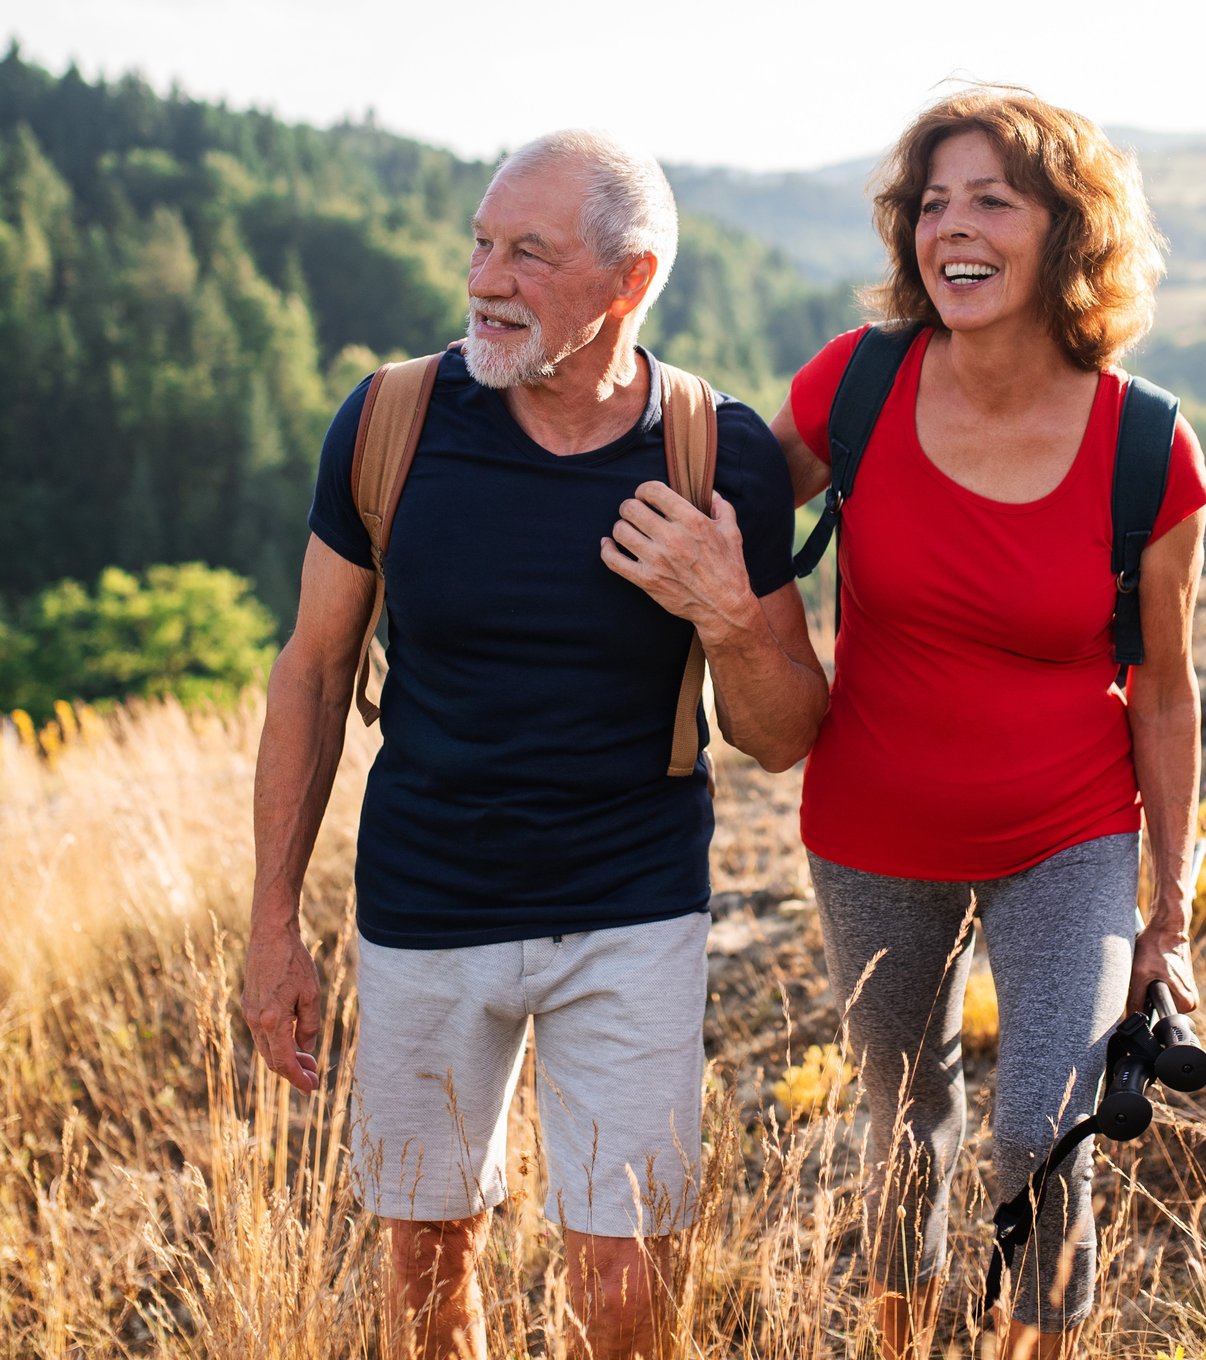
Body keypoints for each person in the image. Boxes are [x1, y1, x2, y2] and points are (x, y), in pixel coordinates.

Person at [243, 129, 829, 1360]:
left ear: (632, 280)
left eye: (527, 252)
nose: (483, 278)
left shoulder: (715, 453)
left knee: (624, 1295)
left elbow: (782, 737)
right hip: (422, 907)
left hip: (630, 910)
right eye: (479, 241)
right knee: (426, 1272)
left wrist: (725, 609)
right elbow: (311, 669)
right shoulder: (390, 420)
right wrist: (270, 921)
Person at [769, 89, 1206, 1359]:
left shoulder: (1147, 448)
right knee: (904, 1125)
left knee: (1045, 1124)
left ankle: (1037, 1342)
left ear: (1066, 233)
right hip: (870, 828)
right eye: (930, 202)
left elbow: (1166, 690)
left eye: (991, 201)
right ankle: (895, 1338)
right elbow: (727, 508)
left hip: (1066, 833)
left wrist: (1165, 907)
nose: (948, 228)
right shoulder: (856, 384)